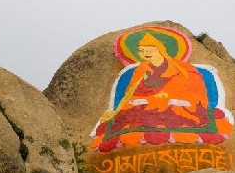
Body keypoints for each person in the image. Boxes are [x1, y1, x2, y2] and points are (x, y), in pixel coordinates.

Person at [91, 32, 232, 152]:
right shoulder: (141, 69)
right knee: (128, 115)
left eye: (149, 50)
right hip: (148, 105)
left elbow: (195, 87)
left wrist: (169, 96)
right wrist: (144, 99)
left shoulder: (182, 68)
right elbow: (131, 92)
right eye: (142, 50)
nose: (146, 53)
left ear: (160, 49)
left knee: (178, 111)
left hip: (178, 104)